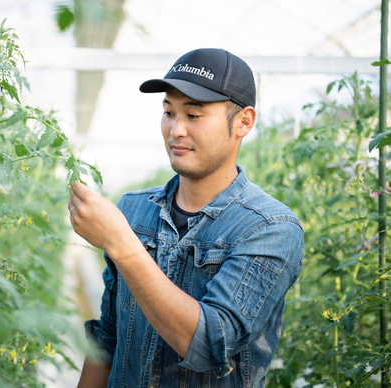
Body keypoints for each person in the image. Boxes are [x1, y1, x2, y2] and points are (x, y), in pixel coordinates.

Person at [68, 48, 304, 387]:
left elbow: (210, 343)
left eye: (193, 115)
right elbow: (107, 339)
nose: (176, 130)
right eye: (168, 112)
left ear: (244, 122)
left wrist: (121, 243)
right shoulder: (133, 209)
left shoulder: (270, 227)